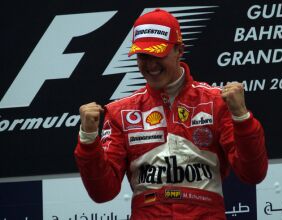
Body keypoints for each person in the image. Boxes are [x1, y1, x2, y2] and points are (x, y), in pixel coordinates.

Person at [75, 8, 268, 220]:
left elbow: (253, 174)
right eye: (143, 56)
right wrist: (88, 140)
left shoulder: (215, 102)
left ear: (179, 50)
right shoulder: (120, 112)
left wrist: (242, 118)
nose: (150, 65)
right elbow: (103, 193)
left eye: (158, 54)